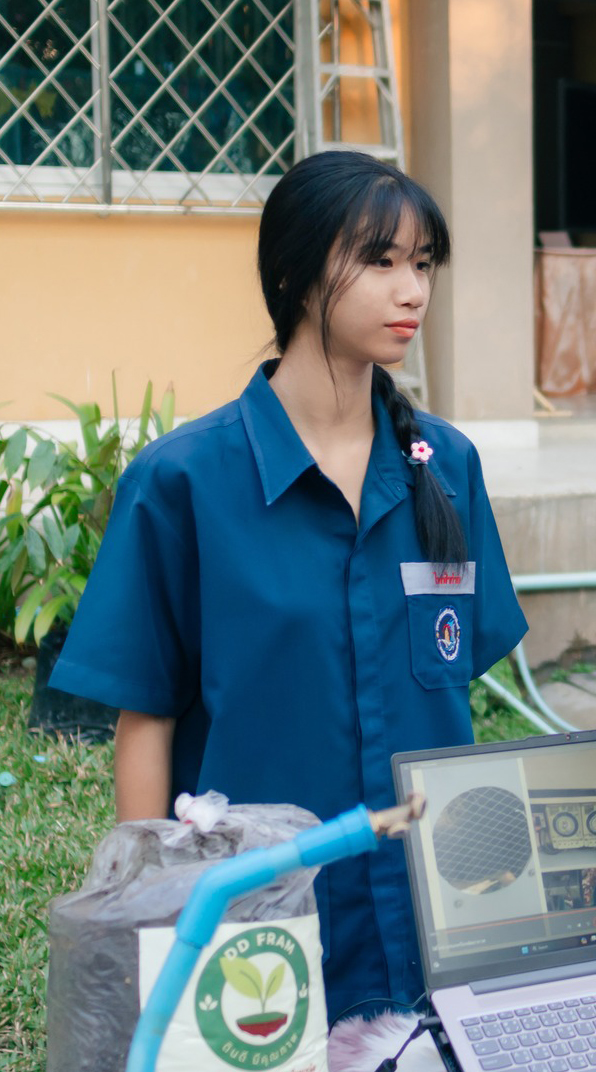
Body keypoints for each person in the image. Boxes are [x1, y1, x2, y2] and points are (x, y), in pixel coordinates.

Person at [51, 150, 529, 1021]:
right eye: (380, 261)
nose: (412, 290)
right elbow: (145, 719)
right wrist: (154, 921)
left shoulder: (447, 467)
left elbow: (457, 694)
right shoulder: (184, 481)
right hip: (255, 935)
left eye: (422, 264)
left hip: (437, 925)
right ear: (296, 274)